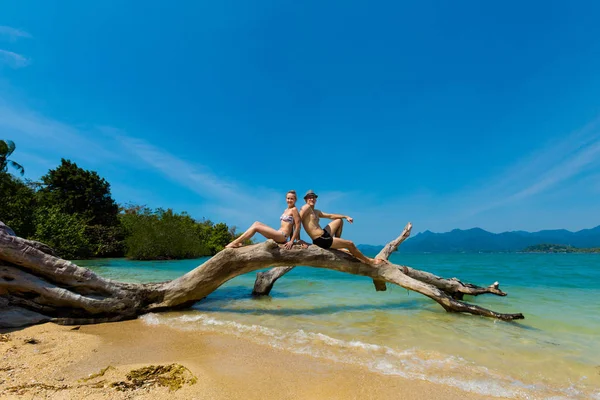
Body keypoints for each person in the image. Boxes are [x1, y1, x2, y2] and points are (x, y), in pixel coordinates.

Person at [300, 189, 383, 265]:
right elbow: (297, 221)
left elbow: (331, 215)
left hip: (324, 235)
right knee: (350, 244)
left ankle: (338, 246)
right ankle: (369, 261)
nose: (312, 199)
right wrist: (299, 240)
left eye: (313, 197)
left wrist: (346, 216)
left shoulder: (316, 211)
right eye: (309, 198)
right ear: (305, 200)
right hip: (320, 240)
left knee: (339, 220)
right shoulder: (306, 208)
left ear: (315, 199)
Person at [226, 190, 304, 249]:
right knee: (256, 223)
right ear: (286, 199)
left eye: (292, 199)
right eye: (288, 198)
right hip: (278, 233)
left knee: (256, 228)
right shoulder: (285, 210)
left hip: (282, 236)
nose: (289, 200)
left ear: (295, 200)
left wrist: (291, 241)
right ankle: (238, 242)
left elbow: (297, 226)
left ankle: (235, 242)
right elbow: (290, 226)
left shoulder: (294, 210)